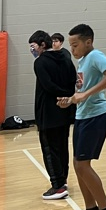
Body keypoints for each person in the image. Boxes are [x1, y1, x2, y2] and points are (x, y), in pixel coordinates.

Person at [57, 24, 106, 210]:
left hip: (95, 116)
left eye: (75, 45)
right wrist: (72, 99)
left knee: (83, 165)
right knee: (78, 165)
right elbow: (83, 91)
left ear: (88, 42)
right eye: (70, 46)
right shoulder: (83, 61)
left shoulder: (95, 56)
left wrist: (86, 95)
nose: (72, 50)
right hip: (82, 116)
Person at [29, 30, 77, 200]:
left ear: (43, 44)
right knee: (62, 146)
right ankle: (63, 179)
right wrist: (67, 96)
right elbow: (73, 80)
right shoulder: (65, 56)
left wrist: (60, 94)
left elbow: (48, 86)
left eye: (33, 46)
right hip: (65, 110)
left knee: (49, 148)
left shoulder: (40, 62)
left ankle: (57, 185)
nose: (32, 50)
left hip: (48, 112)